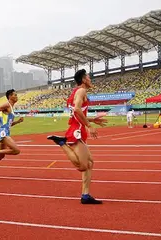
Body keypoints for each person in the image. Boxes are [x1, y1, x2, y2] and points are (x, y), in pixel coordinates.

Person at [47, 69, 107, 204]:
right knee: (82, 166)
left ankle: (85, 195)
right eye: (89, 78)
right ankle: (61, 143)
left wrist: (91, 120)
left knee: (90, 163)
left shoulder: (76, 91)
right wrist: (89, 125)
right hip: (77, 130)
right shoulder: (81, 91)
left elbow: (77, 113)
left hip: (78, 127)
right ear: (84, 79)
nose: (91, 80)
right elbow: (77, 110)